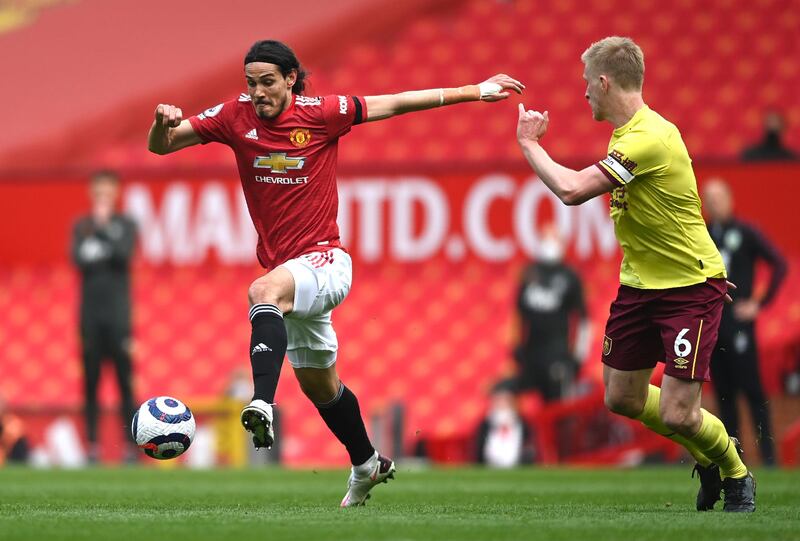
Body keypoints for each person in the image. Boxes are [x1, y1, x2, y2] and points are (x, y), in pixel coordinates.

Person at [147, 39, 523, 507]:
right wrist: (159, 127)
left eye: (267, 82)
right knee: (323, 389)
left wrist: (474, 90)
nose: (258, 93)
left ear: (290, 79)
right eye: (251, 83)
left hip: (326, 260)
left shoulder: (323, 113)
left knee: (262, 291)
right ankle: (367, 463)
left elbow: (398, 102)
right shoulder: (233, 115)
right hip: (289, 270)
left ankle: (262, 400)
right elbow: (162, 148)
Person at [515, 36, 755, 512]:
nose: (583, 93)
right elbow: (676, 211)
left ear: (604, 83)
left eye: (587, 84)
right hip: (641, 286)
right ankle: (704, 457)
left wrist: (528, 143)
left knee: (677, 411)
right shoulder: (627, 135)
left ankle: (733, 469)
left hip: (687, 289)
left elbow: (570, 189)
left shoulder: (649, 138)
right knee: (621, 397)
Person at [703, 178, 787, 465]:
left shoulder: (746, 232)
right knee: (724, 397)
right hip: (713, 326)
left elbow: (779, 263)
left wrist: (758, 304)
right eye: (708, 198)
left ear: (729, 198)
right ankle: (733, 460)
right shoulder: (703, 235)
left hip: (740, 326)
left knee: (752, 391)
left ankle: (769, 457)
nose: (714, 203)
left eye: (718, 197)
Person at [71, 170, 138, 463]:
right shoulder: (80, 226)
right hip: (89, 317)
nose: (103, 197)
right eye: (98, 191)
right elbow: (78, 259)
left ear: (116, 193)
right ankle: (93, 446)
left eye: (108, 191)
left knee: (125, 383)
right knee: (91, 384)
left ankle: (130, 446)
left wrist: (103, 232)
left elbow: (122, 255)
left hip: (118, 317)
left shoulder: (125, 225)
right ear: (92, 193)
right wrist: (102, 242)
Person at [513, 225, 590, 400]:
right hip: (531, 355)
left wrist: (578, 356)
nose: (549, 243)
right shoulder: (530, 273)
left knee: (558, 408)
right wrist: (516, 347)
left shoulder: (570, 277)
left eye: (554, 239)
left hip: (557, 355)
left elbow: (583, 319)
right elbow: (518, 314)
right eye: (545, 238)